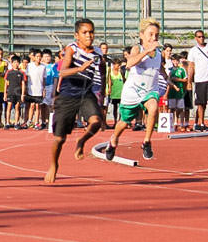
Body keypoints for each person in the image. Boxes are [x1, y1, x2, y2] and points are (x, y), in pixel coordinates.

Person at [45, 19, 105, 183]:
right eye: (85, 32)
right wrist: (80, 68)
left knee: (96, 122)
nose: (89, 35)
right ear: (76, 35)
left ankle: (81, 141)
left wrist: (102, 94)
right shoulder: (72, 49)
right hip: (68, 94)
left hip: (86, 93)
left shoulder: (98, 53)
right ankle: (53, 165)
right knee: (59, 139)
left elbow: (103, 71)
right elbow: (63, 72)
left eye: (91, 32)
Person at [105, 19, 168, 162]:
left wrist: (167, 77)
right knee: (124, 122)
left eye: (156, 35)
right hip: (132, 92)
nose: (154, 38)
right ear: (142, 35)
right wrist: (146, 51)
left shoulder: (158, 53)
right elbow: (130, 63)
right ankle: (114, 139)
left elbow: (160, 67)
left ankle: (146, 142)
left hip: (149, 90)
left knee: (153, 108)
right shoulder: (137, 49)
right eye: (150, 34)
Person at [187, 29, 208, 131]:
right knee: (200, 103)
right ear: (195, 38)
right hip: (199, 79)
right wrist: (189, 81)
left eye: (202, 36)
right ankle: (201, 122)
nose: (201, 38)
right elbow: (191, 66)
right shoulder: (193, 51)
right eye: (199, 37)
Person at [167, 54, 188, 130]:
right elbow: (168, 79)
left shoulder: (182, 69)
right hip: (171, 92)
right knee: (171, 108)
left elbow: (185, 80)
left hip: (180, 92)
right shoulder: (170, 70)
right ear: (172, 61)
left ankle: (181, 124)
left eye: (177, 60)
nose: (175, 62)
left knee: (180, 108)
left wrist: (178, 80)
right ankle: (172, 124)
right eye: (174, 60)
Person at [4, 55, 25, 128]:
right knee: (8, 107)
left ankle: (16, 123)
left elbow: (23, 84)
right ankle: (7, 123)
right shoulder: (9, 72)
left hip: (18, 93)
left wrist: (22, 94)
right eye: (14, 62)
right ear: (11, 63)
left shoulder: (21, 73)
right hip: (10, 93)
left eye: (17, 62)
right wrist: (5, 94)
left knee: (17, 108)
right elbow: (6, 84)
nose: (16, 64)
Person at [107, 57, 124, 126]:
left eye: (119, 65)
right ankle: (115, 121)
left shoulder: (121, 72)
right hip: (114, 93)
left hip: (121, 92)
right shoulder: (110, 72)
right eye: (117, 65)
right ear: (114, 65)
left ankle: (120, 120)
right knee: (115, 107)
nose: (118, 66)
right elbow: (109, 81)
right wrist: (109, 89)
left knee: (121, 108)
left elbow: (124, 80)